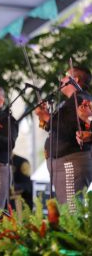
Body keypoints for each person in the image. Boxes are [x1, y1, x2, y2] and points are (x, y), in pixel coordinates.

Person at [35, 66, 92, 209]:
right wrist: (46, 119)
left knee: (71, 211)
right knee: (67, 210)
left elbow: (69, 129)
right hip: (64, 162)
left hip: (70, 161)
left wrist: (47, 117)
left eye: (65, 75)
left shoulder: (80, 99)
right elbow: (62, 126)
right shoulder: (72, 101)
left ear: (75, 79)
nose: (61, 79)